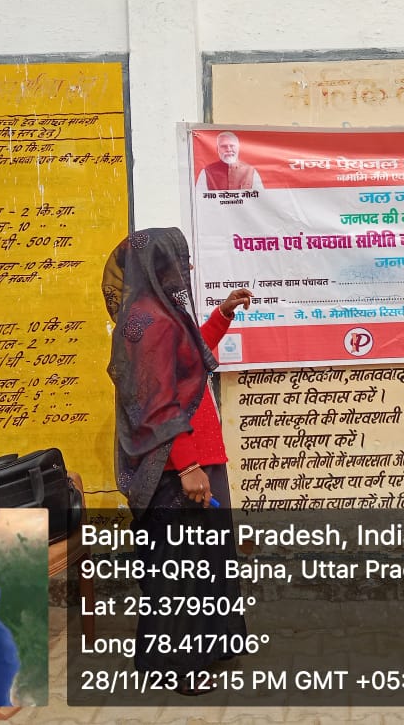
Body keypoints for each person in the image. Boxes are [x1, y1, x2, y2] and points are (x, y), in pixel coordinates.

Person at [102, 227, 253, 694]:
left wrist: (221, 316)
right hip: (178, 463)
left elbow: (189, 361)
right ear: (157, 266)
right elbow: (157, 405)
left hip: (195, 453)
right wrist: (188, 466)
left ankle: (202, 650)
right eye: (178, 259)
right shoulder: (150, 323)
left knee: (201, 561)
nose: (186, 267)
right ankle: (178, 666)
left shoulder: (159, 315)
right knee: (181, 569)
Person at [196, 131, 264, 191]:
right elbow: (199, 198)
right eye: (224, 146)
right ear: (217, 149)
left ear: (238, 147)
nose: (228, 149)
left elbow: (259, 197)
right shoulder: (206, 172)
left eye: (232, 145)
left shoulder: (251, 171)